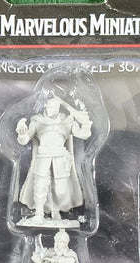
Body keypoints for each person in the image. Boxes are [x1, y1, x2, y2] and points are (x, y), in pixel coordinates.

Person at [16, 89, 92, 226]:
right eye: (50, 106)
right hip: (43, 157)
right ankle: (39, 214)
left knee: (61, 190)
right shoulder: (38, 121)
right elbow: (25, 139)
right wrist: (22, 133)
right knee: (40, 186)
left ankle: (56, 212)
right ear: (45, 106)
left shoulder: (67, 121)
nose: (51, 109)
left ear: (59, 108)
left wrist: (86, 124)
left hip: (60, 158)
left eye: (55, 107)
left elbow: (83, 134)